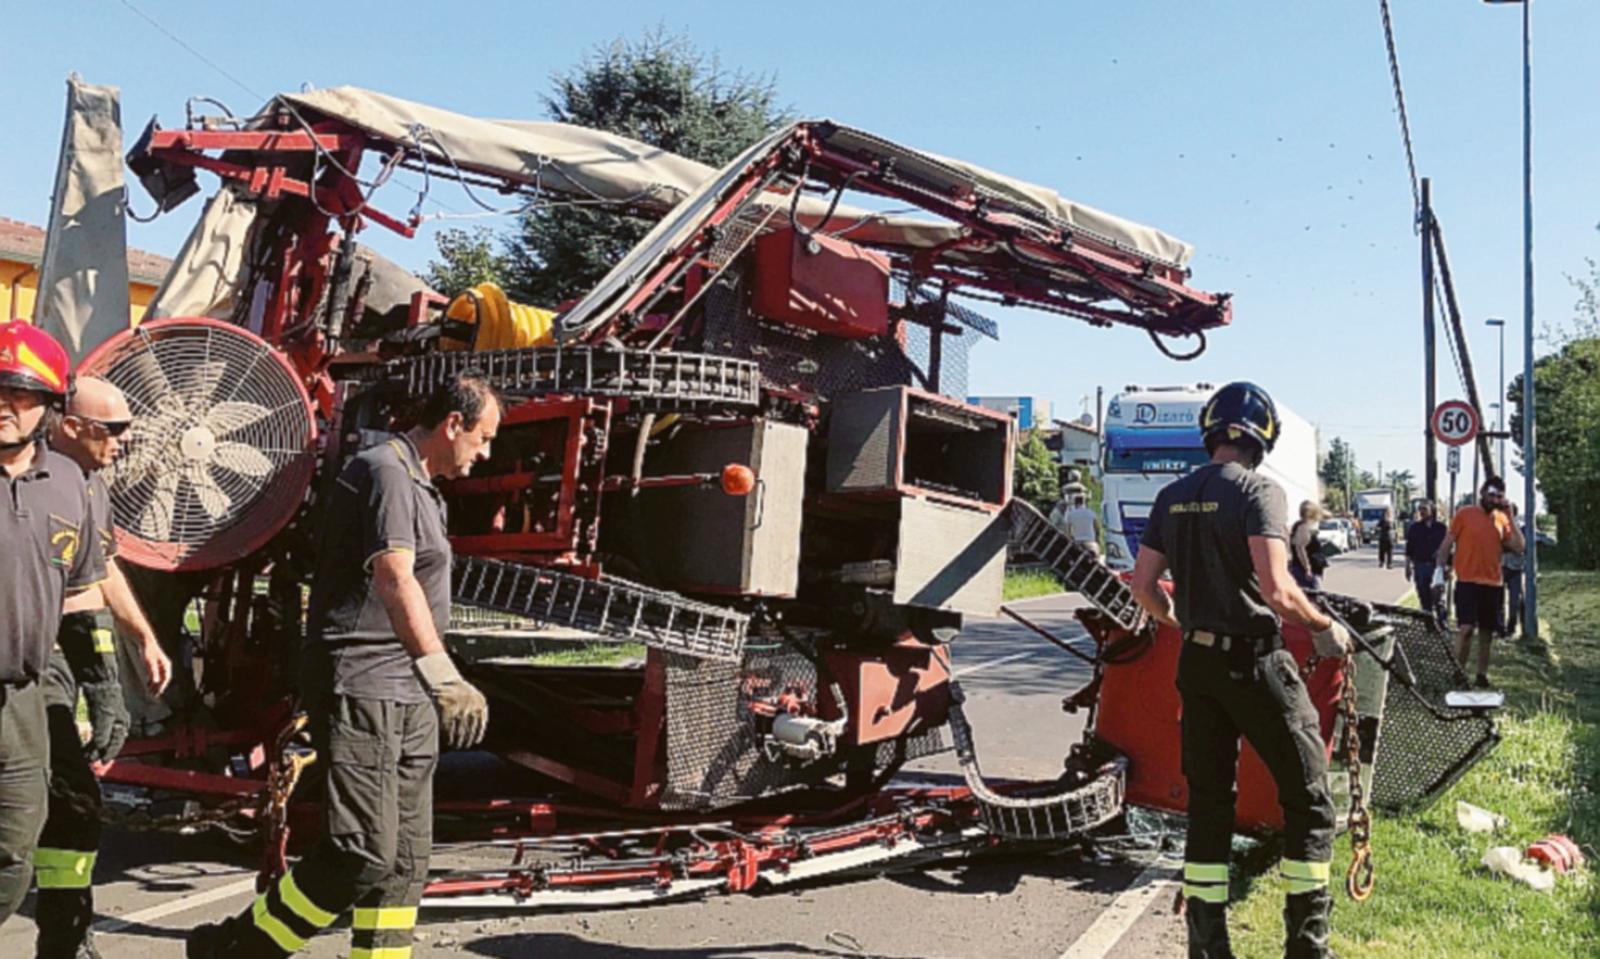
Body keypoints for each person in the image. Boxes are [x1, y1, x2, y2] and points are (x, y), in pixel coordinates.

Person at [188, 372, 501, 959]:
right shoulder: (386, 471)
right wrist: (443, 675)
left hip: (408, 695)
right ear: (452, 424)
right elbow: (393, 574)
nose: (484, 455)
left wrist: (429, 684)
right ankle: (236, 950)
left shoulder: (422, 486)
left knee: (405, 861)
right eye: (482, 438)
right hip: (364, 684)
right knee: (361, 852)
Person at [1129, 382, 1350, 959]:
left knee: (1209, 802)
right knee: (1308, 797)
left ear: (1210, 430)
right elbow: (1278, 591)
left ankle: (1206, 946)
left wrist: (1180, 622)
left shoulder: (1172, 494)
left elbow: (1142, 587)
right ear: (1263, 437)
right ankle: (1307, 946)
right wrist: (1327, 629)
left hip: (1196, 666)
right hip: (1254, 662)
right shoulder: (1260, 492)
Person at [36, 376, 174, 958]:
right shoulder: (33, 481)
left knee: (71, 802)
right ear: (71, 426)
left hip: (54, 662)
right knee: (55, 802)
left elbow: (101, 570)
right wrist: (103, 679)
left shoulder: (90, 485)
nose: (125, 440)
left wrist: (142, 638)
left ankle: (67, 937)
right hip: (27, 658)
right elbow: (71, 591)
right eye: (113, 429)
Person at [0, 321, 105, 929]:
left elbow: (82, 589)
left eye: (20, 394)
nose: (5, 407)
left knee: (13, 849)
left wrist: (103, 680)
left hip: (22, 702)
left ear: (49, 407)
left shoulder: (69, 483)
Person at [1435, 477, 1525, 689]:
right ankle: (1458, 672)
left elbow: (1519, 546)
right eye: (1491, 494)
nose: (1494, 499)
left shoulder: (1502, 519)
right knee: (1466, 629)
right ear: (1482, 493)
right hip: (1467, 582)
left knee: (1487, 632)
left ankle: (1481, 675)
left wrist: (1510, 516)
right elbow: (1447, 544)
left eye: (1498, 496)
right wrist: (1439, 572)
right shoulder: (1465, 514)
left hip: (1493, 583)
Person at [1404, 502, 1448, 628]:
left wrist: (1448, 567)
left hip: (1437, 567)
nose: (1422, 512)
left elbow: (1448, 548)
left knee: (1439, 596)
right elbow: (1409, 549)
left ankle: (1442, 622)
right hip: (1420, 565)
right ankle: (1429, 624)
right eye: (1420, 509)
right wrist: (1407, 567)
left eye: (1424, 509)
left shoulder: (1441, 528)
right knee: (1424, 596)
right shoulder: (1414, 528)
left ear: (1432, 510)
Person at [1288, 501, 1326, 591]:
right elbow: (1300, 548)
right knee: (1315, 597)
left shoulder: (1300, 526)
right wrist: (1307, 568)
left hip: (1306, 569)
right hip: (1306, 571)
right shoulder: (1303, 527)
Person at [1500, 502, 1525, 639]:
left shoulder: (1520, 526)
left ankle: (1511, 627)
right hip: (1501, 565)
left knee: (1515, 600)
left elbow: (1520, 546)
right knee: (1499, 599)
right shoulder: (1498, 525)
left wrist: (1509, 545)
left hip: (1516, 567)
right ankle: (1500, 628)